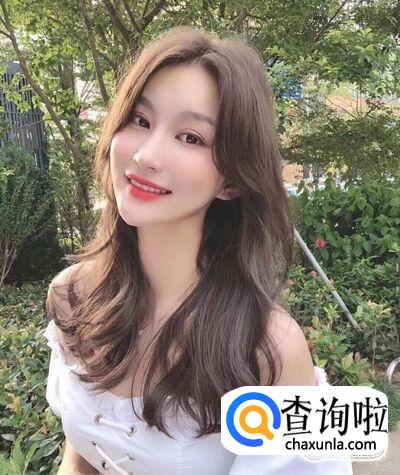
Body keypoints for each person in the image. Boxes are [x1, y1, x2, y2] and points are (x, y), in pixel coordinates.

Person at [43, 26, 353, 474]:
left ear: (231, 180)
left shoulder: (268, 351)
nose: (146, 155)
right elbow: (80, 456)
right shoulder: (72, 296)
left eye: (191, 137)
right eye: (140, 120)